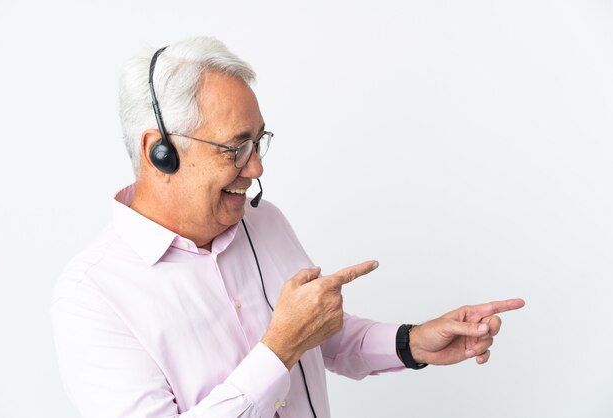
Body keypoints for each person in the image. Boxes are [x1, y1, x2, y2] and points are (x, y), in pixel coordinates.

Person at [51, 36, 525, 418]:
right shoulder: (92, 296)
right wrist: (277, 349)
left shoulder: (265, 222)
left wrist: (413, 342)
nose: (255, 168)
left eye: (259, 143)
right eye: (235, 148)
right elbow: (291, 339)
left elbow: (322, 337)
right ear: (162, 152)